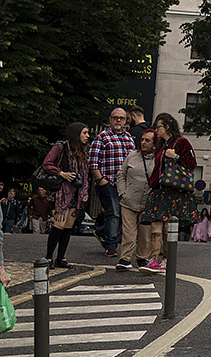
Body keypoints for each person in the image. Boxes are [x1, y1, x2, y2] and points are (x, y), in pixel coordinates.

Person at [139, 113, 197, 275]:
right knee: (155, 225)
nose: (155, 130)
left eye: (158, 127)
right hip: (159, 191)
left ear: (167, 127)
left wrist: (176, 156)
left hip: (172, 192)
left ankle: (165, 260)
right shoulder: (162, 145)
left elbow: (192, 164)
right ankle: (154, 260)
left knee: (166, 227)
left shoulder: (182, 142)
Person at [43, 122, 91, 268]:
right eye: (85, 133)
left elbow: (84, 174)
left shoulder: (82, 151)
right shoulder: (60, 147)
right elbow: (47, 163)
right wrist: (61, 173)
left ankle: (61, 257)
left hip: (76, 193)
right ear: (76, 134)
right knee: (59, 224)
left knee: (68, 226)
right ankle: (49, 257)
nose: (88, 136)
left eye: (88, 133)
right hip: (61, 192)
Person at [88, 107, 135, 257]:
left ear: (126, 121)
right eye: (115, 118)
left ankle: (102, 231)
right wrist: (101, 180)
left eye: (121, 118)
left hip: (125, 184)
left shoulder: (129, 138)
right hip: (108, 182)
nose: (118, 120)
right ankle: (111, 246)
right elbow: (93, 162)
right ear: (110, 120)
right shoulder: (102, 137)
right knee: (114, 212)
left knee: (121, 214)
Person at [114, 128, 157, 271]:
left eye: (147, 140)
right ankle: (125, 259)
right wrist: (122, 193)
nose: (143, 142)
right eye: (142, 139)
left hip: (147, 203)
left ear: (155, 144)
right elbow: (121, 174)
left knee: (145, 233)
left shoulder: (158, 159)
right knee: (128, 232)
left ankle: (142, 258)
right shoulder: (132, 156)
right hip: (128, 201)